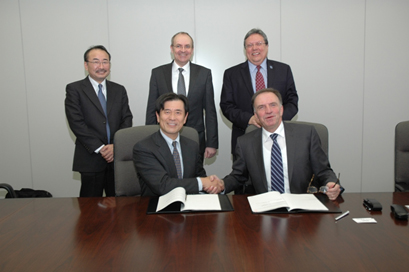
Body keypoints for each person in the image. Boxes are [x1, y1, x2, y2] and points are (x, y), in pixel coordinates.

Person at [222, 88, 341, 200]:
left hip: (302, 206)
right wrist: (220, 185)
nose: (268, 111)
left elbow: (324, 171)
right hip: (265, 207)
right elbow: (238, 176)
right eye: (261, 107)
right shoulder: (245, 142)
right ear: (256, 115)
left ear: (281, 109)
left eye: (273, 105)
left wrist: (331, 184)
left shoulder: (307, 134)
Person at [65, 45, 133, 197]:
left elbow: (126, 119)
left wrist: (115, 145)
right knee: (90, 211)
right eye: (96, 61)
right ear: (86, 65)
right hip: (91, 157)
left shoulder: (119, 90)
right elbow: (76, 123)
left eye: (105, 61)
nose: (101, 66)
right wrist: (101, 148)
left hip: (117, 159)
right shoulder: (74, 89)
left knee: (119, 208)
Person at [220, 28, 299, 157]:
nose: (254, 48)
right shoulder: (231, 74)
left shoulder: (283, 70)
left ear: (266, 46)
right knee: (245, 177)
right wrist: (250, 119)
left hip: (279, 137)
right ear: (245, 49)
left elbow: (292, 102)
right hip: (245, 136)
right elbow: (226, 106)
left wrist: (275, 120)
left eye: (259, 44)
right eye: (249, 45)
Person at [145, 32, 218, 161]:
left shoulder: (204, 74)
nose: (183, 50)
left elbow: (210, 110)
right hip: (164, 138)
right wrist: (151, 140)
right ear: (171, 49)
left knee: (193, 177)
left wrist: (212, 143)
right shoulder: (158, 73)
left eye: (187, 46)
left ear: (192, 49)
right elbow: (152, 109)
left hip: (195, 138)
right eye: (178, 46)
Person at [134, 93, 223, 196]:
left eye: (178, 113)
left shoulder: (192, 146)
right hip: (156, 207)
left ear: (185, 118)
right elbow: (163, 185)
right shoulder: (143, 148)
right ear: (158, 116)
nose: (172, 118)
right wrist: (202, 183)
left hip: (189, 206)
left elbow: (200, 178)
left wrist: (212, 186)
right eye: (167, 112)